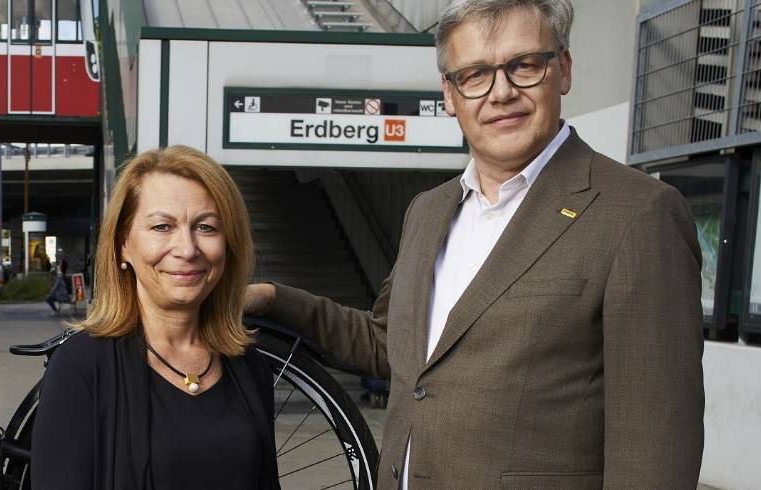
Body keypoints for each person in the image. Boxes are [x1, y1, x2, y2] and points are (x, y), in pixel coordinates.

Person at [244, 1, 704, 488]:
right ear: (450, 92)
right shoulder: (428, 211)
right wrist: (274, 299)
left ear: (563, 70)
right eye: (475, 74)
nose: (501, 92)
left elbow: (656, 452)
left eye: (524, 65)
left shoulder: (639, 214)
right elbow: (391, 349)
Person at [32, 145, 279, 489]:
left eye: (206, 227)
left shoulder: (249, 366)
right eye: (163, 226)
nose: (187, 249)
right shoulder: (82, 365)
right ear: (122, 244)